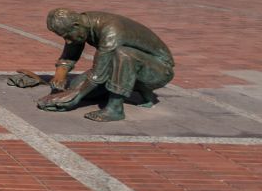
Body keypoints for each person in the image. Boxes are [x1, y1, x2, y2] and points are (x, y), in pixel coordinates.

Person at [36, 9, 175, 122]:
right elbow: (69, 56)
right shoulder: (82, 24)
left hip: (159, 71)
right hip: (134, 66)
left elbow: (99, 73)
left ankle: (115, 108)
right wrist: (59, 78)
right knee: (75, 87)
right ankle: (133, 91)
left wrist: (74, 97)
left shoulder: (110, 29)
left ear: (76, 26)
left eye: (66, 35)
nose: (67, 40)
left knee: (122, 54)